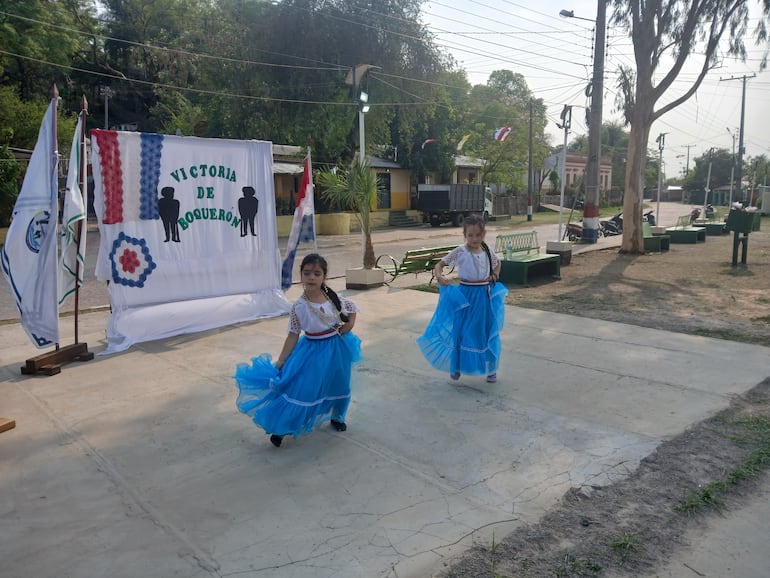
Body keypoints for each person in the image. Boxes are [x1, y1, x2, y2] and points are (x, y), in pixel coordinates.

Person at [233, 253, 361, 447]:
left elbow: (352, 308)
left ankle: (337, 417)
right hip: (311, 352)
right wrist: (282, 360)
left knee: (338, 384)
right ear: (300, 275)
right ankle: (282, 427)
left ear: (324, 277)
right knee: (303, 388)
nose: (311, 277)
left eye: (316, 273)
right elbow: (293, 334)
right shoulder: (299, 306)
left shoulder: (333, 298)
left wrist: (349, 325)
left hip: (337, 349)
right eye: (307, 273)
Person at [417, 214, 508, 383]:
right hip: (465, 296)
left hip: (484, 296)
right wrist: (439, 275)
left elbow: (498, 263)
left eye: (478, 235)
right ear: (464, 235)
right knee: (462, 331)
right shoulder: (460, 251)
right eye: (470, 235)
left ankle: (491, 369)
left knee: (486, 331)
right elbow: (440, 264)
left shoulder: (487, 250)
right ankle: (456, 366)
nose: (474, 239)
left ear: (484, 234)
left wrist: (495, 275)